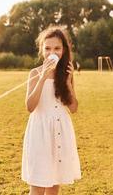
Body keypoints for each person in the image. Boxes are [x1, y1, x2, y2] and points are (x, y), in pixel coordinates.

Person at [22, 26, 81, 195]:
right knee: (38, 185)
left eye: (56, 48)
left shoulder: (66, 74)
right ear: (42, 50)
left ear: (63, 50)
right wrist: (42, 78)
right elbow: (30, 106)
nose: (51, 52)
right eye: (47, 48)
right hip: (40, 132)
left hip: (60, 130)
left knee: (54, 185)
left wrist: (69, 84)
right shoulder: (34, 73)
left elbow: (73, 108)